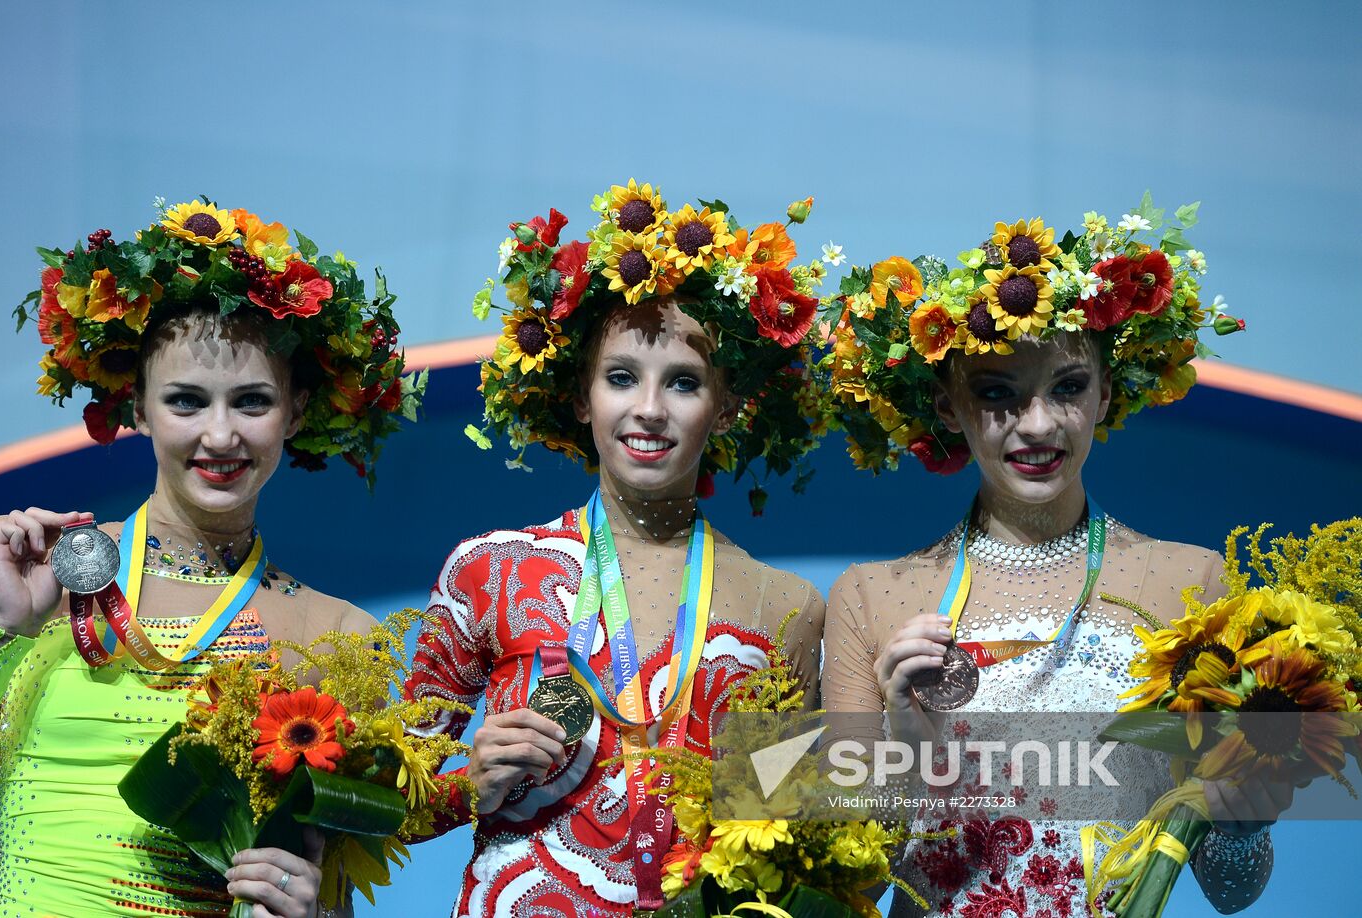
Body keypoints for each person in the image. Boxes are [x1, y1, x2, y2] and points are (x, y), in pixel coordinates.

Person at [821, 207, 1288, 915]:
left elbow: (1232, 888)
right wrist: (903, 762)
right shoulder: (869, 599)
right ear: (948, 405)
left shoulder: (1191, 585)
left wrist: (1244, 820)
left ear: (1107, 393)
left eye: (1067, 387)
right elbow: (846, 890)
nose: (1037, 424)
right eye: (996, 393)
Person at [0, 200, 417, 917]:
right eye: (185, 401)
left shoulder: (342, 638)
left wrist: (310, 910)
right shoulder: (20, 565)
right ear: (136, 406)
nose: (220, 434)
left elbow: (323, 893)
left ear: (296, 413)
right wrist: (7, 632)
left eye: (252, 402)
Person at [403, 182, 831, 916]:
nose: (649, 410)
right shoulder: (491, 570)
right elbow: (375, 806)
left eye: (685, 383)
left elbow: (788, 845)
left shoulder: (787, 606)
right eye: (622, 377)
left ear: (727, 409)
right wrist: (464, 785)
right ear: (580, 396)